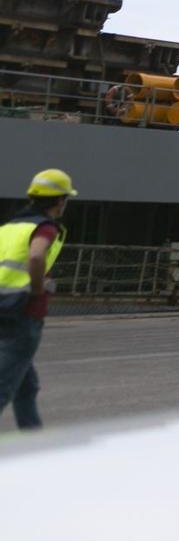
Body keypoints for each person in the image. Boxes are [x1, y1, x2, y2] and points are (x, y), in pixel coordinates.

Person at [0, 168, 76, 430]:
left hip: (3, 309)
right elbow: (35, 256)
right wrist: (36, 291)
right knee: (4, 386)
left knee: (26, 386)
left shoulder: (9, 227)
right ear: (60, 201)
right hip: (22, 313)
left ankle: (33, 440)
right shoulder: (44, 227)